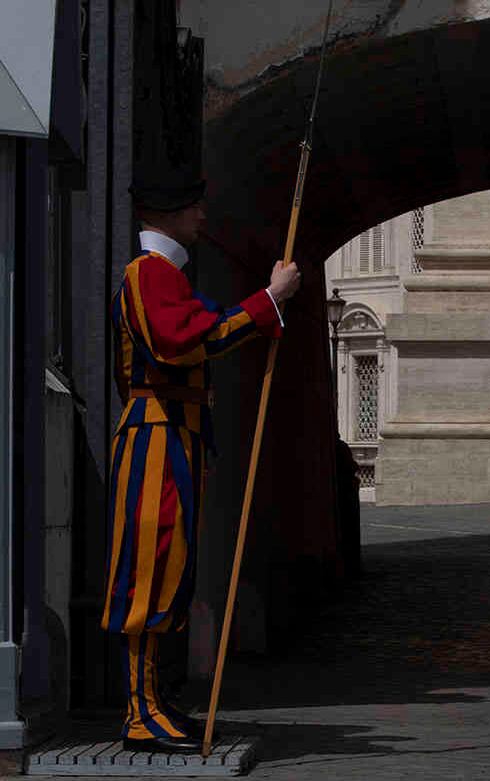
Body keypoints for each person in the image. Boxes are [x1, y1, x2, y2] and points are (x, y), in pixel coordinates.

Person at [102, 175, 301, 752]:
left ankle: (156, 701)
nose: (203, 216)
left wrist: (265, 306)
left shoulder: (168, 277)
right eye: (193, 206)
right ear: (169, 212)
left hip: (177, 436)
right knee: (151, 571)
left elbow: (209, 323)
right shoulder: (148, 275)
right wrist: (268, 301)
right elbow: (184, 340)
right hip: (156, 438)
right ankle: (140, 711)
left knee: (172, 571)